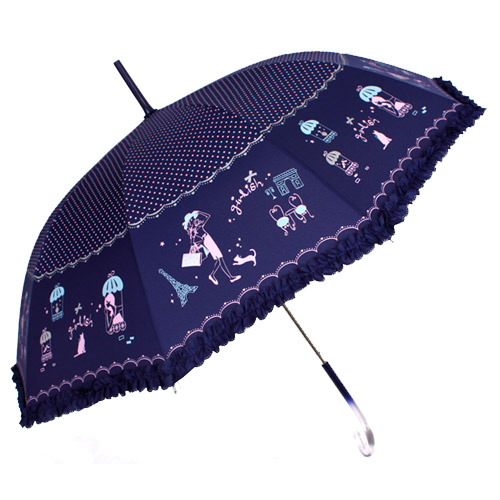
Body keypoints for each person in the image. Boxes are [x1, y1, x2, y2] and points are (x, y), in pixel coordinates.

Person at [183, 210, 241, 285]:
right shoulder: (193, 231)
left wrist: (200, 212)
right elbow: (192, 242)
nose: (193, 220)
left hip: (208, 239)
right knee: (220, 256)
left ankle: (213, 275)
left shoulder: (198, 225)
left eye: (192, 218)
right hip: (206, 240)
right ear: (189, 223)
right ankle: (230, 277)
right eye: (191, 220)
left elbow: (208, 216)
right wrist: (194, 238)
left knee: (218, 259)